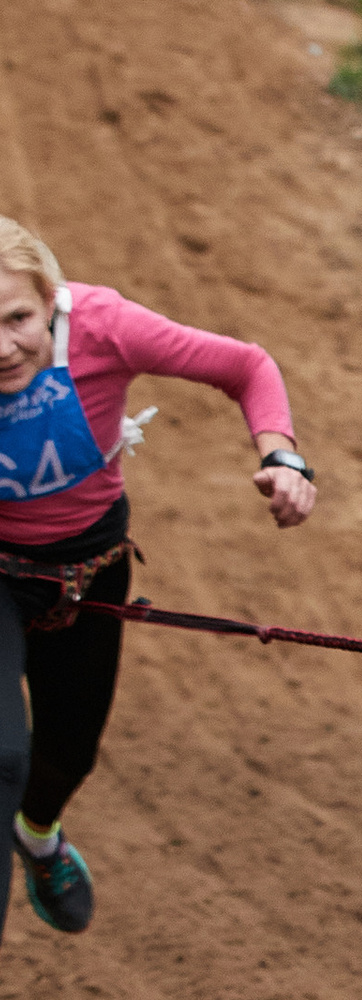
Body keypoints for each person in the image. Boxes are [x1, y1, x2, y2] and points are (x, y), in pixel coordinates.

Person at [0, 216, 315, 940]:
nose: (3, 347)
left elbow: (247, 366)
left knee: (66, 754)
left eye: (18, 318)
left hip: (91, 570)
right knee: (4, 755)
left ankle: (39, 840)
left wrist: (284, 459)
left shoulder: (106, 327)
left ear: (50, 299)